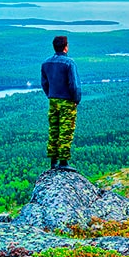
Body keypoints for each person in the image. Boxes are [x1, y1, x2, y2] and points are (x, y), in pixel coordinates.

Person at [41, 35, 81, 172]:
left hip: (53, 100)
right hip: (67, 101)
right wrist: (76, 100)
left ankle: (53, 161)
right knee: (66, 130)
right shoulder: (69, 63)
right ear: (66, 47)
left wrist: (50, 95)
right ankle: (63, 162)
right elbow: (74, 85)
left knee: (54, 129)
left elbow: (44, 84)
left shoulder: (46, 63)